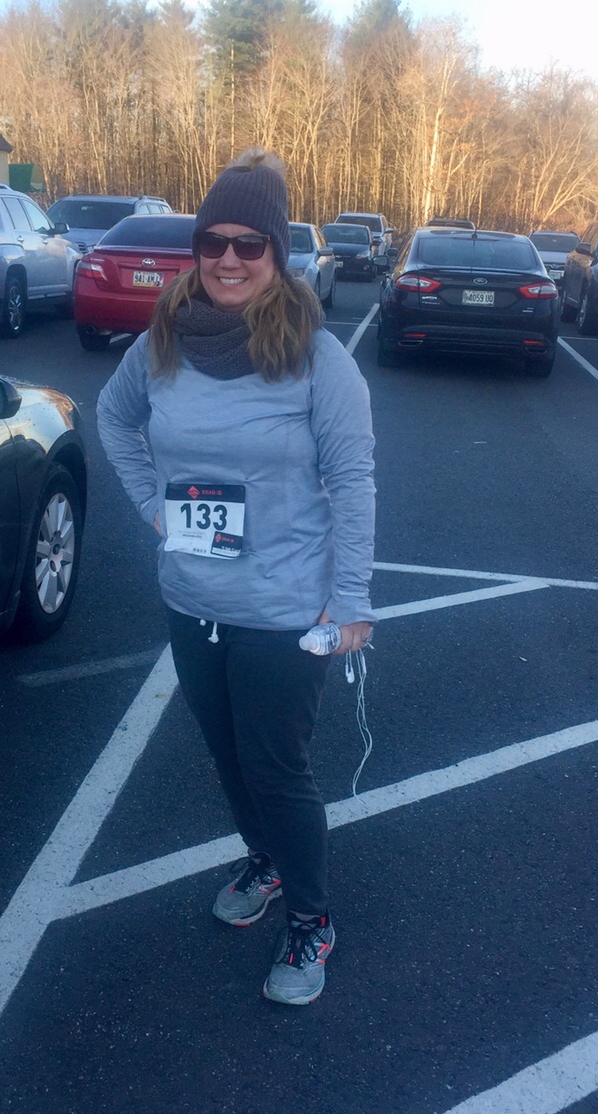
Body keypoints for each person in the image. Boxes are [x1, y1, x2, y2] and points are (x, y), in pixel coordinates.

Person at [97, 148, 376, 1006]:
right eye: (211, 241)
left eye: (248, 244)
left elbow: (354, 479)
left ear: (276, 253)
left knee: (276, 767)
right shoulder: (163, 341)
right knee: (226, 756)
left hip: (285, 608)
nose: (227, 259)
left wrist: (353, 600)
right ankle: (265, 862)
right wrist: (154, 507)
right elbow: (113, 418)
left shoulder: (318, 358)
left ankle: (312, 919)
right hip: (193, 599)